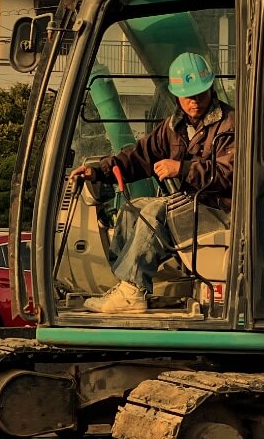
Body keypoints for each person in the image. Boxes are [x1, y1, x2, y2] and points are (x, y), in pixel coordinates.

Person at [68, 52, 235, 314]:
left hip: (220, 209)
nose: (195, 101)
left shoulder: (229, 124)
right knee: (131, 210)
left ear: (210, 88)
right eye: (188, 96)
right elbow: (138, 157)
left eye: (200, 94)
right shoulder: (173, 126)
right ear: (177, 95)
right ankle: (127, 287)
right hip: (192, 206)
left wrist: (182, 168)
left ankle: (132, 292)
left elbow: (230, 173)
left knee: (155, 212)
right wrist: (98, 172)